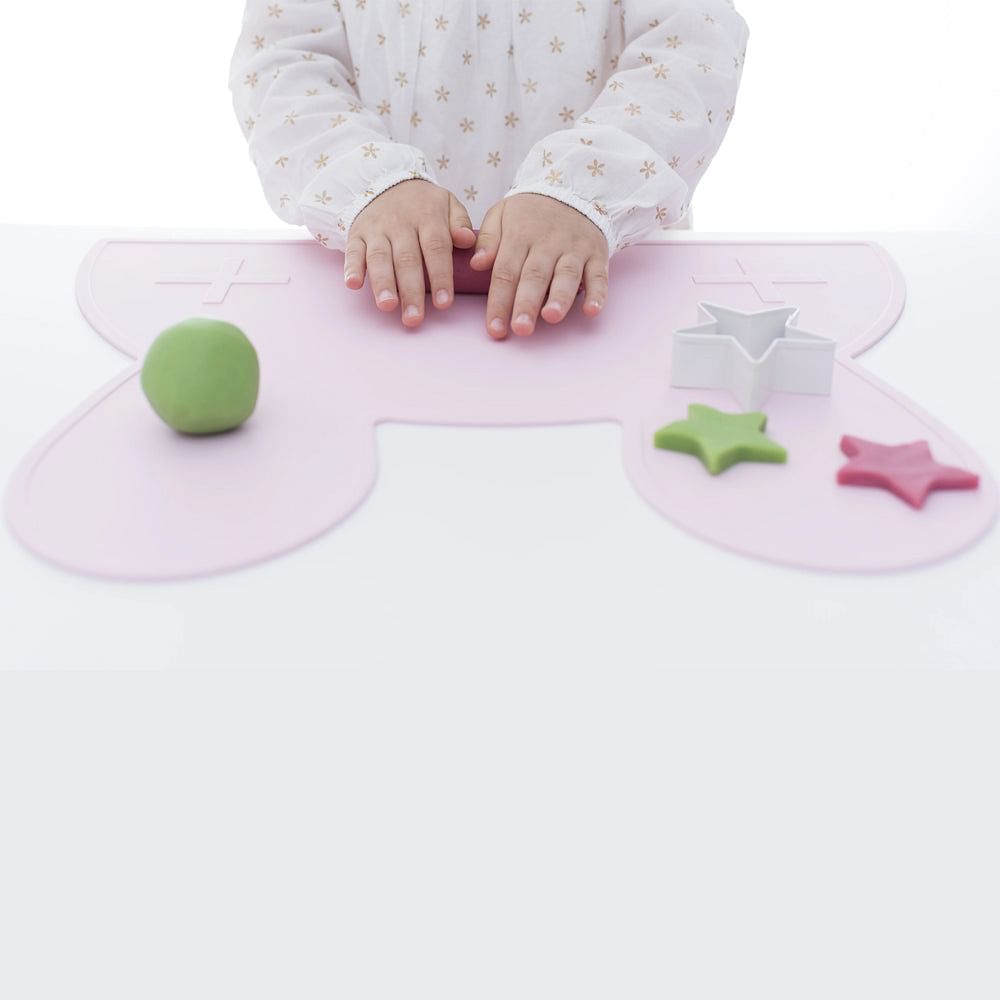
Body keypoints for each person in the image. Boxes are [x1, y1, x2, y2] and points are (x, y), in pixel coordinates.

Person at [228, 1, 750, 339]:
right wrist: (368, 179)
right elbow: (283, 60)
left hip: (608, 281)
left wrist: (582, 189)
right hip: (379, 285)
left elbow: (691, 47)